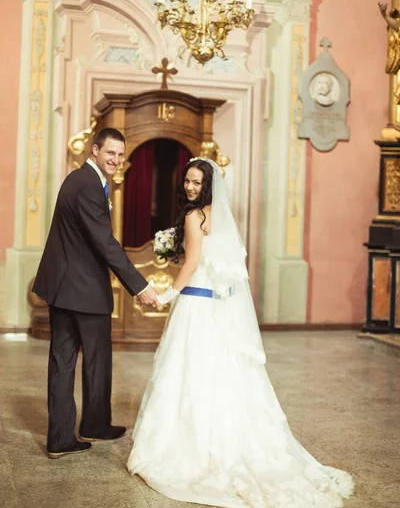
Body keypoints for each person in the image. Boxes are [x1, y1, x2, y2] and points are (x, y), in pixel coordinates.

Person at [127, 157, 354, 508]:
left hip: (195, 306)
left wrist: (168, 295)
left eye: (196, 183)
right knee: (220, 375)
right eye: (187, 181)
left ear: (208, 185)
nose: (190, 187)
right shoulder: (221, 217)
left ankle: (190, 448)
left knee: (191, 374)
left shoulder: (193, 216)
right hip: (217, 307)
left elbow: (191, 263)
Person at [33, 127, 159, 459]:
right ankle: (94, 425)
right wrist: (141, 285)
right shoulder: (89, 185)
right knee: (97, 360)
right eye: (110, 153)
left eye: (120, 154)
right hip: (85, 289)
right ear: (94, 150)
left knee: (62, 362)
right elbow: (104, 243)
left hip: (63, 288)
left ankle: (61, 438)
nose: (116, 160)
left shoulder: (78, 180)